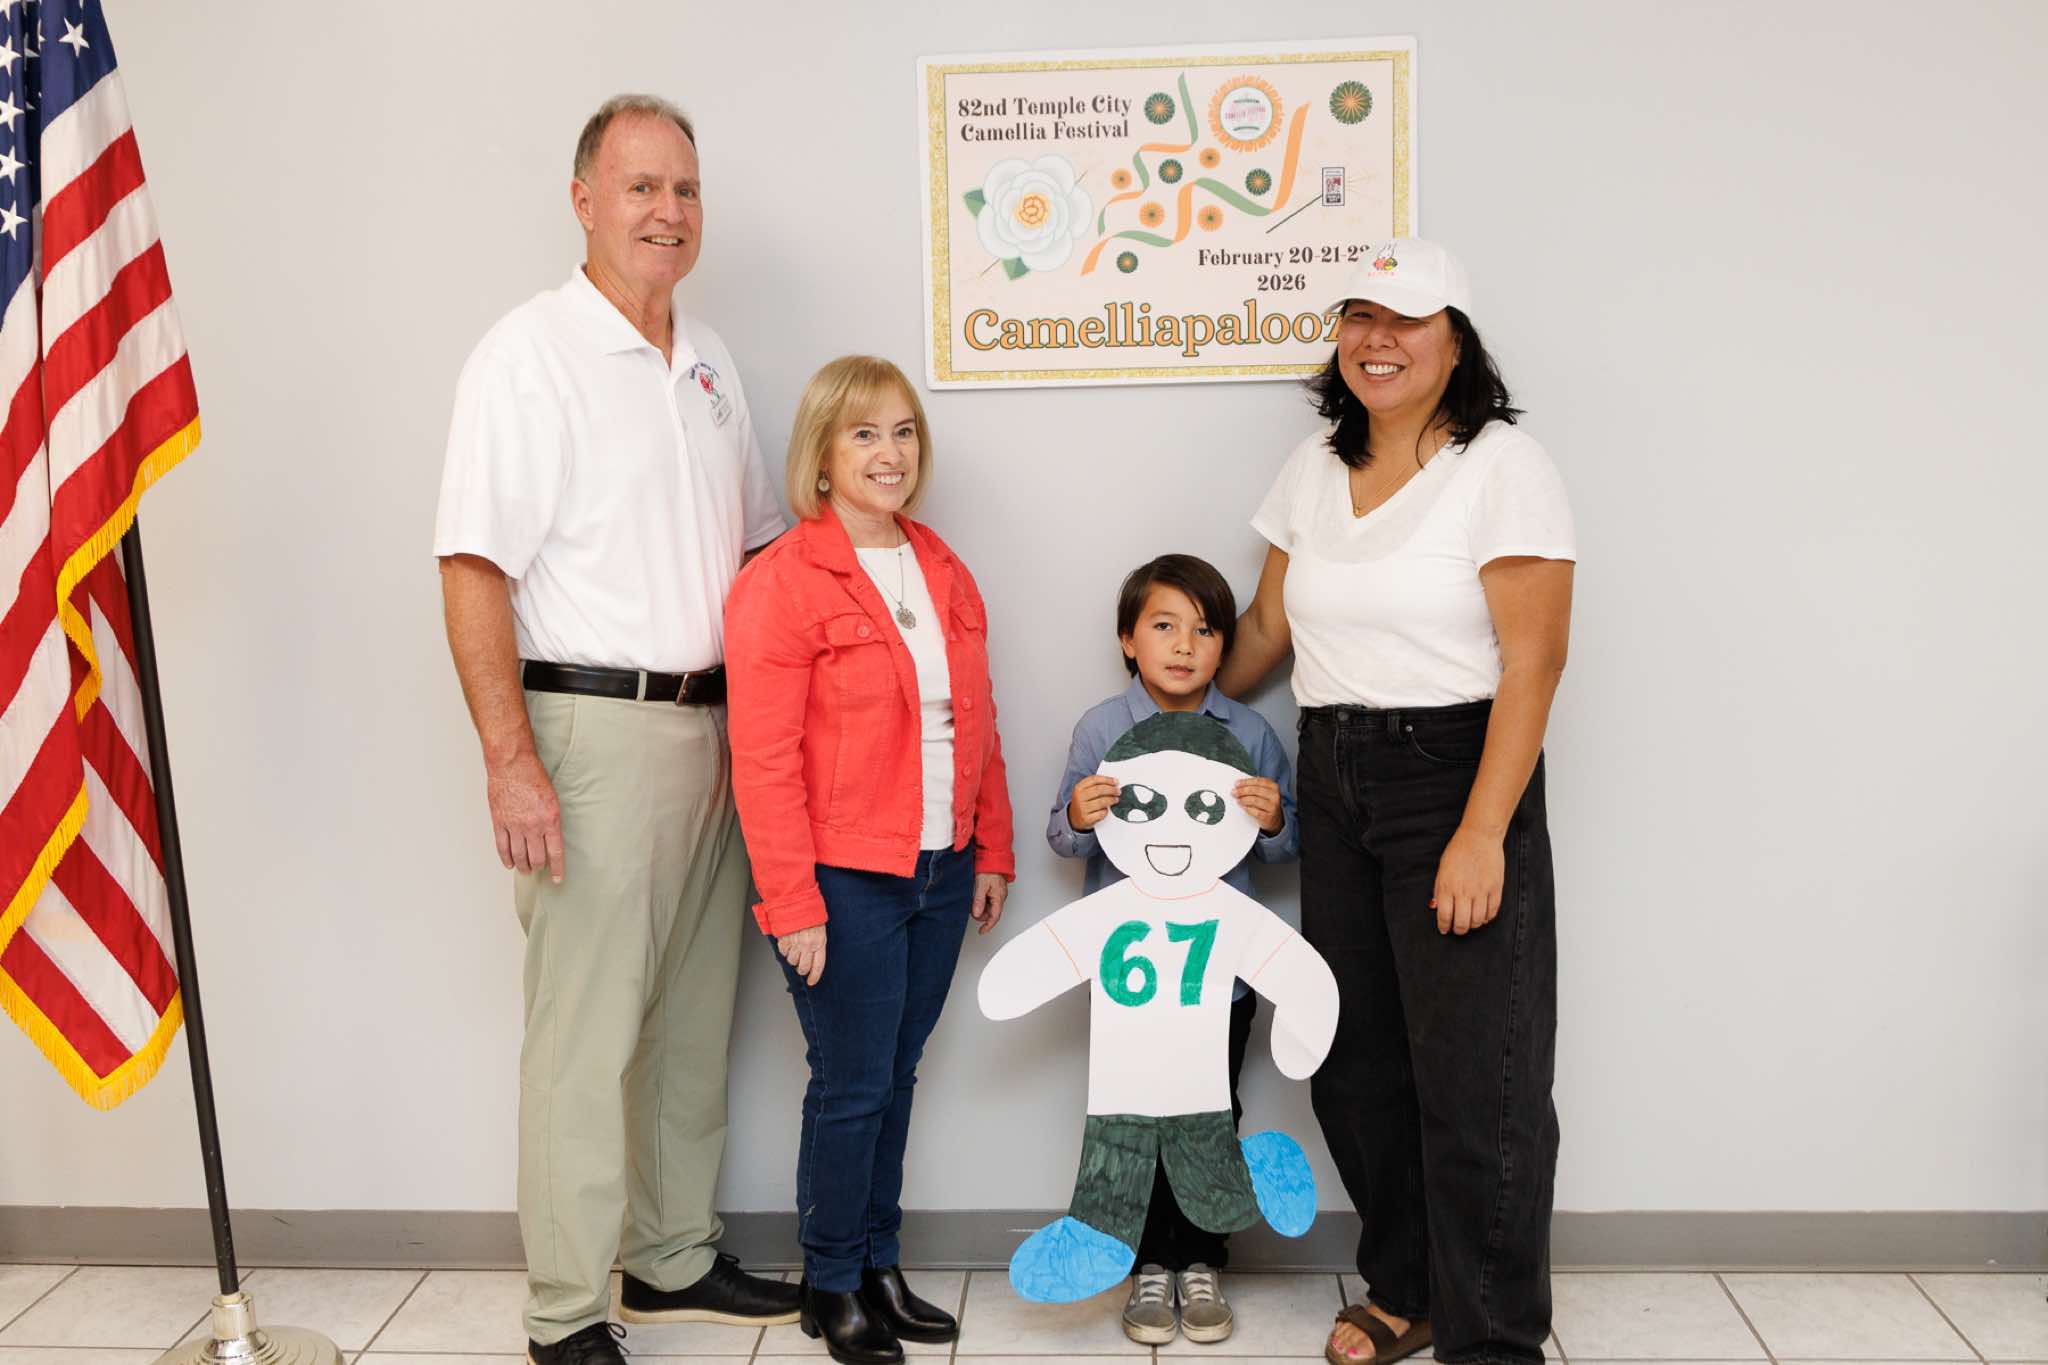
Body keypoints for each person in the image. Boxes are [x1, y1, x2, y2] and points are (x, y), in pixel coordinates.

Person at [434, 94, 798, 1364]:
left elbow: (759, 554)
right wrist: (509, 761)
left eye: (685, 189)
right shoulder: (527, 355)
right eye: (641, 186)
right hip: (590, 733)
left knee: (692, 1021)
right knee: (585, 1038)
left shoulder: (709, 360)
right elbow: (472, 566)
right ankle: (564, 1311)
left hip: (716, 730)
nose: (667, 211)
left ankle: (670, 1256)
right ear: (583, 200)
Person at [1216, 239, 1575, 1365]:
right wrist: (1170, 702)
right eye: (1359, 316)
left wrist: (1481, 832)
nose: (1378, 339)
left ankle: (1493, 1336)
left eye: (1407, 319)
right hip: (1331, 773)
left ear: (1455, 342)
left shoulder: (1503, 466)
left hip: (1453, 776)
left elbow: (1533, 663)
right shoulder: (1313, 467)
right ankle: (1408, 1288)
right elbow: (1266, 632)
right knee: (1353, 1058)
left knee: (1478, 1080)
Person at [723, 355, 1015, 1365]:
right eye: (863, 434)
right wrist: (791, 900)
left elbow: (976, 720)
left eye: (902, 431)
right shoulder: (780, 582)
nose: (889, 453)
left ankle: (880, 1264)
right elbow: (761, 759)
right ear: (821, 454)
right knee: (850, 1083)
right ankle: (833, 1278)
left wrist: (991, 846)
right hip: (844, 877)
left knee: (897, 1072)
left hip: (942, 866)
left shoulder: (940, 565)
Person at [1047, 554, 1298, 1346]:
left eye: (1205, 629)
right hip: (1128, 975)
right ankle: (1147, 1263)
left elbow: (1287, 845)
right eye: (1164, 626)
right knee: (1133, 1114)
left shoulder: (1249, 733)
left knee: (1209, 1112)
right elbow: (1061, 834)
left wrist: (1272, 818)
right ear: (1129, 639)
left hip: (1218, 975)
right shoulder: (1101, 729)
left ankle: (1201, 1259)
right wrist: (1079, 815)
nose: (1184, 645)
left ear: (1224, 646)